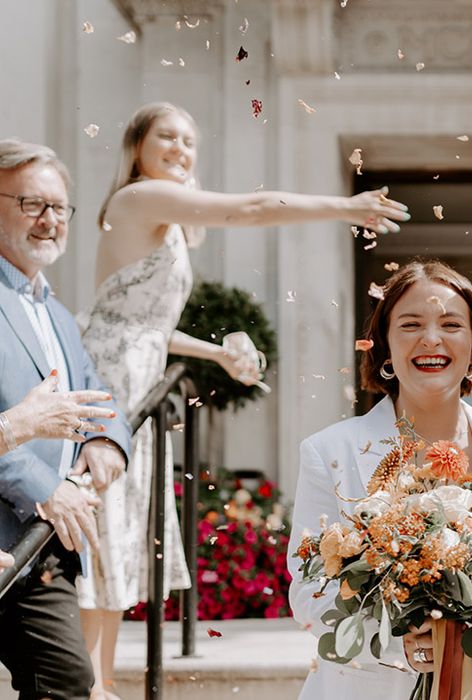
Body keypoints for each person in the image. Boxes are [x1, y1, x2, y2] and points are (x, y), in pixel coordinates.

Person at [79, 101, 411, 700]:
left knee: (119, 534)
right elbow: (250, 208)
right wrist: (347, 207)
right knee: (102, 528)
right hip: (109, 381)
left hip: (134, 371)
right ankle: (88, 684)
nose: (181, 149)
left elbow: (143, 324)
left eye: (189, 140)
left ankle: (99, 684)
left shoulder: (166, 216)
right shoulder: (140, 198)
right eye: (167, 137)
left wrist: (215, 355)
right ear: (136, 147)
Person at [288, 261, 472, 700]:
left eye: (451, 324)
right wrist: (391, 639)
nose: (431, 339)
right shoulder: (329, 452)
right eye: (411, 324)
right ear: (383, 345)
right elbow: (308, 591)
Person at [0, 139, 131, 700]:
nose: (50, 220)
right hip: (17, 521)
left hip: (43, 546)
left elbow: (99, 394)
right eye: (33, 204)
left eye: (59, 208)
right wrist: (44, 485)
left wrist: (105, 441)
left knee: (66, 684)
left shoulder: (55, 311)